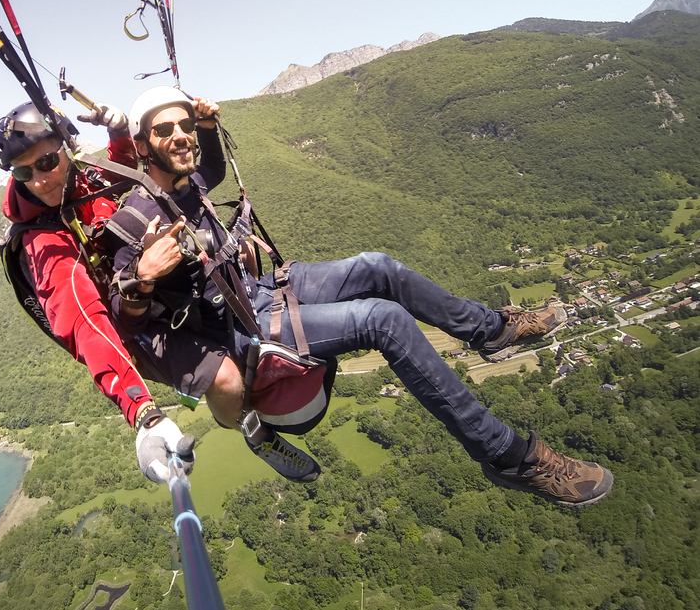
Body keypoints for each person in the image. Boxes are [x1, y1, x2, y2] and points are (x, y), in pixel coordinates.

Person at [103, 86, 615, 506]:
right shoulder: (132, 222)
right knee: (383, 320)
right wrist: (142, 278)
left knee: (378, 266)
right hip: (240, 330)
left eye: (185, 127)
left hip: (259, 290)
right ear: (142, 146)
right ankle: (508, 456)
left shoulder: (184, 183)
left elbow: (210, 172)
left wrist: (209, 129)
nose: (180, 136)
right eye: (165, 130)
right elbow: (126, 322)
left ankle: (491, 330)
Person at [0, 100, 192, 485]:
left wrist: (118, 132)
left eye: (47, 162)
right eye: (23, 172)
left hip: (144, 289)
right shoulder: (44, 244)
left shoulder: (80, 181)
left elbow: (120, 170)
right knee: (225, 377)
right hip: (131, 328)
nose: (39, 180)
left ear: (68, 150)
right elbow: (83, 320)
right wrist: (144, 413)